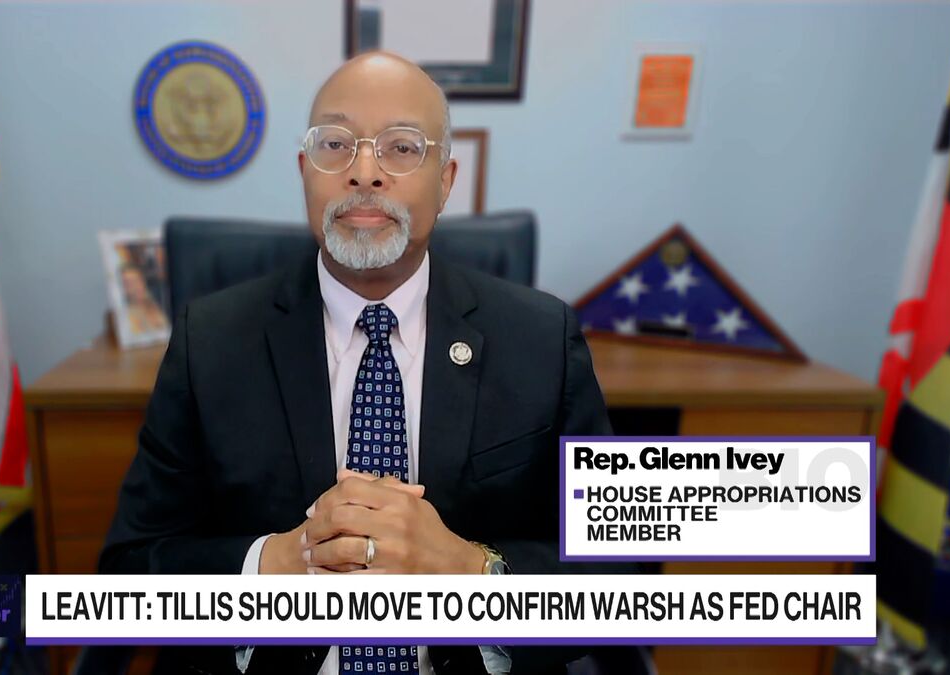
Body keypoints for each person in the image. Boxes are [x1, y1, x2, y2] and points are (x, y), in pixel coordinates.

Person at [101, 51, 626, 674]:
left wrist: (473, 575)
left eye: (402, 148)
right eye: (336, 144)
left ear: (446, 180)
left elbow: (617, 576)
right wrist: (269, 569)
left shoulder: (541, 338)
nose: (366, 173)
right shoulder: (210, 341)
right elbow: (129, 572)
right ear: (306, 171)